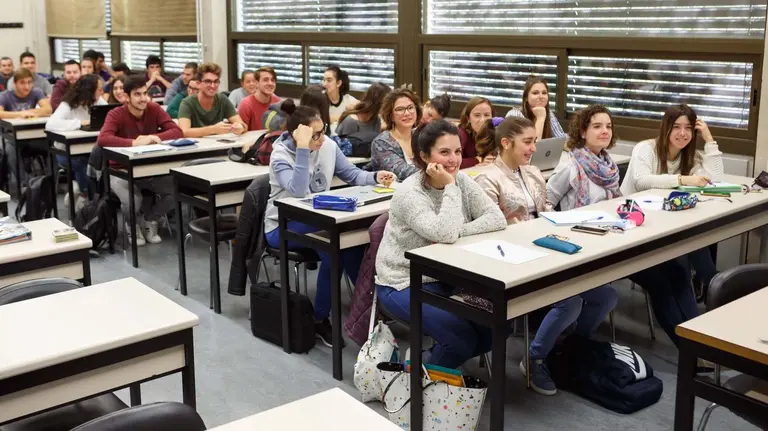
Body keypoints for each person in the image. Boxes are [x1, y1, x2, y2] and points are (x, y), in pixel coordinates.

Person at [472, 116, 617, 395]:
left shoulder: (533, 172)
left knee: (606, 296)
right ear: (505, 143)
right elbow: (490, 228)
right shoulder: (487, 177)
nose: (532, 149)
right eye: (527, 142)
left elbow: (547, 209)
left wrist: (563, 228)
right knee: (570, 302)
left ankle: (568, 348)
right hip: (512, 255)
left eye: (534, 142)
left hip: (545, 246)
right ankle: (536, 356)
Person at [549, 104, 698, 351]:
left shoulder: (608, 165)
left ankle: (700, 343)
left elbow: (615, 204)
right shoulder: (571, 165)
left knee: (679, 271)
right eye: (597, 126)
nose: (605, 131)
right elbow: (546, 203)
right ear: (583, 131)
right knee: (659, 282)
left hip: (615, 236)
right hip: (586, 243)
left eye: (608, 126)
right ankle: (689, 351)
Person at [375, 119, 507, 368]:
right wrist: (449, 187)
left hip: (447, 277)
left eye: (457, 151)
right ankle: (415, 374)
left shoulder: (462, 181)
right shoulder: (410, 193)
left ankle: (426, 362)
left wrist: (459, 230)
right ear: (425, 156)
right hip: (402, 281)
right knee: (459, 339)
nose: (454, 160)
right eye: (444, 152)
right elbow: (444, 233)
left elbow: (496, 218)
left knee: (496, 326)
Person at [264, 104, 395, 347]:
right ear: (297, 135)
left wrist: (375, 177)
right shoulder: (280, 155)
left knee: (354, 247)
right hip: (282, 226)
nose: (321, 139)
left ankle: (368, 310)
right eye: (314, 135)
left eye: (322, 131)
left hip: (319, 220)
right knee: (334, 251)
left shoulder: (328, 145)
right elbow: (299, 190)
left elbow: (353, 175)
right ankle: (320, 319)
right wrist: (303, 149)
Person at [620, 103, 724, 298]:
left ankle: (711, 284)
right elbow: (642, 181)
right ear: (666, 127)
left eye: (688, 128)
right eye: (676, 127)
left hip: (667, 219)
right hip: (636, 220)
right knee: (690, 244)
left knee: (697, 237)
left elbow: (715, 180)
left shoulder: (689, 155)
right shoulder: (646, 149)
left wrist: (709, 140)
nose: (682, 133)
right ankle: (713, 284)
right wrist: (682, 179)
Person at [98, 76, 183, 246]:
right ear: (126, 97)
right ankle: (132, 225)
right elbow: (103, 139)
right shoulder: (116, 114)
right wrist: (133, 143)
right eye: (137, 94)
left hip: (148, 169)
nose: (143, 98)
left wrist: (154, 137)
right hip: (120, 170)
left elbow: (177, 131)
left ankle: (150, 219)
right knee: (132, 200)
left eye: (145, 93)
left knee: (177, 189)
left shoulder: (153, 108)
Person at [46, 74, 106, 212]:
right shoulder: (68, 104)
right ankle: (86, 195)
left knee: (99, 162)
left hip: (90, 148)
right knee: (82, 162)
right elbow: (51, 124)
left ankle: (91, 195)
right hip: (64, 151)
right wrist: (80, 123)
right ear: (89, 91)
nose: (102, 92)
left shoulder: (99, 101)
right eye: (99, 89)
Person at [178, 63, 246, 137]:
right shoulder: (187, 103)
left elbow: (243, 125)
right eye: (208, 81)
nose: (213, 86)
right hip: (197, 147)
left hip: (218, 145)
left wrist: (240, 128)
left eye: (216, 81)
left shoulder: (222, 99)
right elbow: (184, 132)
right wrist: (213, 129)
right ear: (198, 84)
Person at [370, 88, 421, 181]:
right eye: (400, 109)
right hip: (393, 193)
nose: (407, 113)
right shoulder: (381, 142)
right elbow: (402, 173)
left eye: (410, 107)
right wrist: (435, 175)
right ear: (391, 115)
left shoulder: (421, 136)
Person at [238, 66, 280, 130]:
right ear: (256, 83)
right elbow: (241, 133)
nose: (270, 83)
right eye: (265, 80)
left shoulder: (278, 103)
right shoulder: (246, 105)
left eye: (273, 80)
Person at [458, 97, 495, 168]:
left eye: (487, 115)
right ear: (468, 118)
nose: (483, 120)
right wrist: (477, 160)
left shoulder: (494, 131)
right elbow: (452, 162)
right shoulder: (461, 133)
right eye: (477, 115)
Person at [323, 65, 359, 135]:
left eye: (329, 80)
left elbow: (364, 109)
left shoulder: (348, 100)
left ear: (338, 83)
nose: (324, 84)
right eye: (324, 80)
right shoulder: (321, 100)